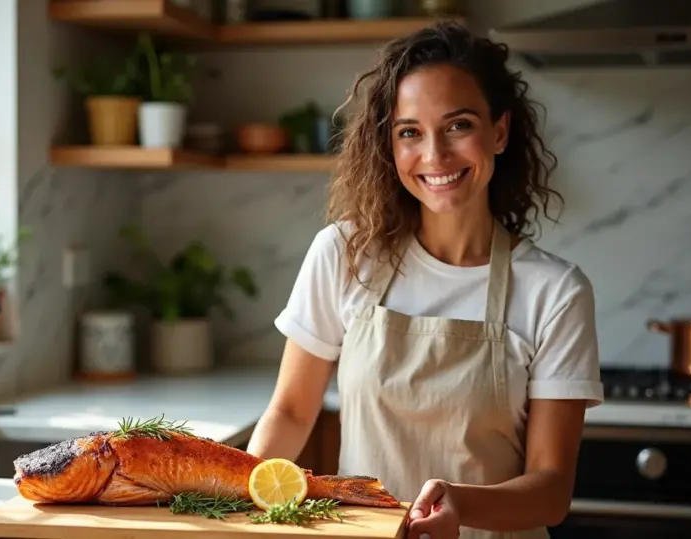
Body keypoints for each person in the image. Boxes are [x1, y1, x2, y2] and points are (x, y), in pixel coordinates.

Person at [244, 21, 604, 539]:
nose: (434, 155)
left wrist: (458, 502)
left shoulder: (555, 292)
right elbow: (293, 411)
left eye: (458, 125)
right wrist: (245, 496)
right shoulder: (344, 255)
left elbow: (549, 490)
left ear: (499, 131)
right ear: (389, 146)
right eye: (409, 132)